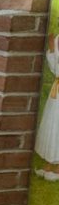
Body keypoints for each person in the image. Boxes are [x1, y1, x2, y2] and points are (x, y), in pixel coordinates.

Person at [37, 32, 59, 169]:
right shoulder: (57, 39)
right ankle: (51, 159)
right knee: (53, 123)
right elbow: (54, 68)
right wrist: (52, 48)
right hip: (56, 92)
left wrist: (53, 50)